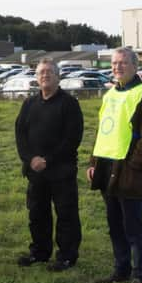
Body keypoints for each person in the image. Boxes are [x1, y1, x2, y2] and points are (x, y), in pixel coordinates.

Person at [86, 47, 142, 283]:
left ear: (134, 66)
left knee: (133, 226)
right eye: (114, 63)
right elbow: (103, 131)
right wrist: (93, 163)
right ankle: (121, 269)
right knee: (115, 224)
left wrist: (135, 164)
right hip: (107, 167)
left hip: (130, 170)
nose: (117, 67)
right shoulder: (109, 95)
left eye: (122, 63)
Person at [15, 58, 84, 271]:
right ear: (36, 78)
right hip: (35, 172)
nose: (45, 75)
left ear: (57, 76)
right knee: (37, 214)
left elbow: (73, 138)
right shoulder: (29, 104)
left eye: (49, 72)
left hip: (61, 171)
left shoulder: (69, 103)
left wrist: (47, 160)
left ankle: (66, 257)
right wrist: (30, 159)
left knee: (66, 215)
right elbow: (20, 134)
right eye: (41, 72)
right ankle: (40, 253)